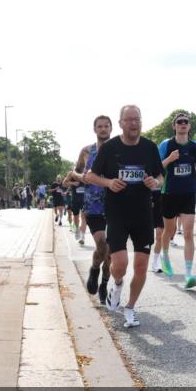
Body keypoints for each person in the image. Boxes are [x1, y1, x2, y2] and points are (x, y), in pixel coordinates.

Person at [85, 105, 164, 328]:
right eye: (128, 120)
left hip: (142, 214)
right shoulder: (110, 148)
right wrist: (109, 182)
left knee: (140, 266)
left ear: (141, 121)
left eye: (136, 119)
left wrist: (155, 182)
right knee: (119, 264)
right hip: (117, 213)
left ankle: (130, 307)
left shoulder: (149, 147)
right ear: (120, 123)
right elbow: (90, 175)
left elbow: (160, 176)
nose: (133, 123)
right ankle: (117, 284)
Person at [70, 115, 114, 305]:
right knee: (102, 245)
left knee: (111, 253)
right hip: (93, 206)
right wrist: (83, 177)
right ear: (94, 129)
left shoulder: (118, 149)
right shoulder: (87, 151)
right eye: (100, 126)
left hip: (115, 205)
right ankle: (95, 269)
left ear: (111, 128)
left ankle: (104, 283)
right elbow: (74, 172)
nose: (103, 129)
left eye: (106, 126)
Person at [157, 112, 196, 288]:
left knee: (188, 233)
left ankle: (189, 274)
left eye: (186, 122)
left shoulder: (194, 146)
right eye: (179, 122)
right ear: (174, 126)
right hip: (169, 193)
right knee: (169, 231)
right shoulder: (166, 144)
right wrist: (170, 159)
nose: (183, 124)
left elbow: (193, 165)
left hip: (188, 193)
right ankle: (165, 255)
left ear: (189, 126)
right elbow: (157, 166)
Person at [63, 167, 87, 245]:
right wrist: (73, 183)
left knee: (84, 217)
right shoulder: (72, 173)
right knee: (76, 217)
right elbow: (64, 183)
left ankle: (82, 237)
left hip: (85, 199)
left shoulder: (87, 171)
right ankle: (77, 229)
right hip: (75, 199)